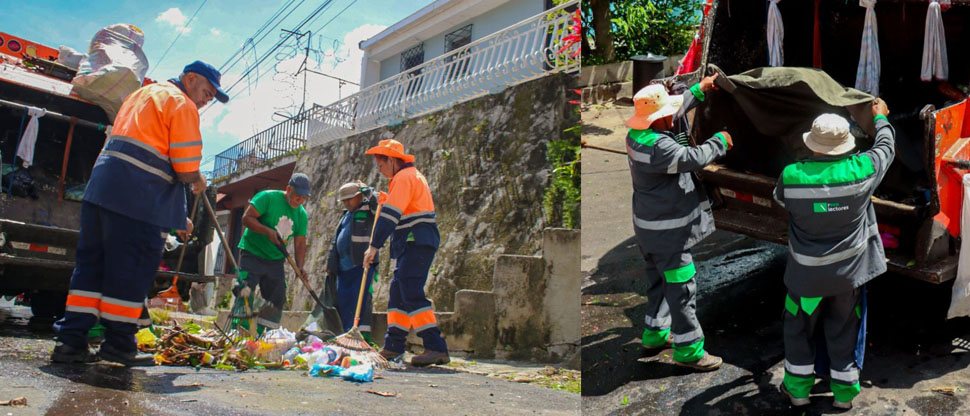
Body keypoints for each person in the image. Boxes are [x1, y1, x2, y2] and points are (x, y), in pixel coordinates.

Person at [52, 60, 229, 366]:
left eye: (212, 97)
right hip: (137, 197)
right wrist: (199, 179)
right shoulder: (180, 103)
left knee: (91, 268)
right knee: (130, 271)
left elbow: (147, 151)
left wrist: (177, 216)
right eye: (207, 92)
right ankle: (119, 346)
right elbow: (185, 167)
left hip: (102, 191)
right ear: (189, 79)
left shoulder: (141, 95)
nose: (205, 100)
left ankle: (70, 343)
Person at [773, 99, 893, 409]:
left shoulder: (791, 175)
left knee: (799, 328)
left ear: (811, 143)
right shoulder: (862, 170)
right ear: (846, 144)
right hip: (846, 278)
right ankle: (842, 396)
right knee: (843, 328)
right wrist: (880, 118)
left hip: (805, 278)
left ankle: (797, 392)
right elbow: (886, 148)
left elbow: (781, 201)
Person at [627, 75, 732, 371]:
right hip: (669, 235)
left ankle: (655, 332)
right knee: (682, 289)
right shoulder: (661, 148)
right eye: (668, 116)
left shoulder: (637, 136)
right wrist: (719, 141)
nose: (674, 119)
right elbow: (693, 157)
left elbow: (676, 108)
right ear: (658, 119)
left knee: (659, 281)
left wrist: (700, 89)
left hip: (648, 230)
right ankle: (689, 351)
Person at [362, 139, 449, 366]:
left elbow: (391, 216)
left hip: (416, 239)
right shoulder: (411, 176)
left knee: (410, 290)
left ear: (391, 160)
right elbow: (404, 206)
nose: (380, 171)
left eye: (381, 165)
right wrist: (388, 198)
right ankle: (393, 346)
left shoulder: (403, 178)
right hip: (416, 240)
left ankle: (435, 346)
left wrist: (373, 246)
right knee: (398, 293)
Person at [230, 173, 310, 335]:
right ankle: (238, 331)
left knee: (277, 297)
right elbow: (246, 218)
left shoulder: (301, 215)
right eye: (297, 196)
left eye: (304, 198)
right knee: (245, 289)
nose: (300, 201)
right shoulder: (267, 198)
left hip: (275, 259)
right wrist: (266, 231)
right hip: (252, 253)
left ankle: (266, 333)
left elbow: (300, 242)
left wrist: (299, 267)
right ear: (288, 189)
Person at [326, 181, 379, 342]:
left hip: (361, 265)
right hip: (343, 268)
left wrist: (367, 190)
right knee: (344, 301)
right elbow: (336, 240)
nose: (347, 203)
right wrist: (331, 263)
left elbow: (380, 206)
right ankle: (347, 335)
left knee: (361, 300)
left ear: (359, 196)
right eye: (344, 201)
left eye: (350, 199)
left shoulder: (368, 209)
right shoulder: (345, 215)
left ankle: (363, 337)